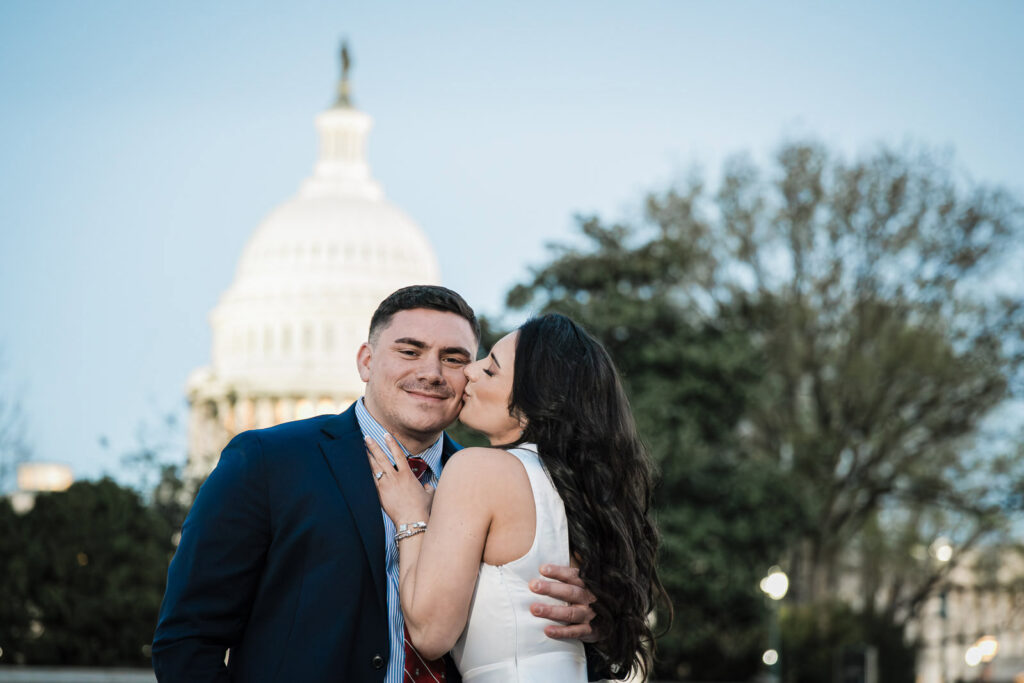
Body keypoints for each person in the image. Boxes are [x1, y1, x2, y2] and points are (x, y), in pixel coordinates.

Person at [152, 286, 600, 682]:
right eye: (410, 351)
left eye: (454, 358)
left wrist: (591, 620)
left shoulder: (496, 484)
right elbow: (188, 638)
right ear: (366, 361)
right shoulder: (269, 462)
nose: (432, 372)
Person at [367, 313, 668, 682]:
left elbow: (430, 635)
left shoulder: (477, 469)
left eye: (490, 371)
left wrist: (412, 519)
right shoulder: (577, 489)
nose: (470, 372)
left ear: (536, 401)